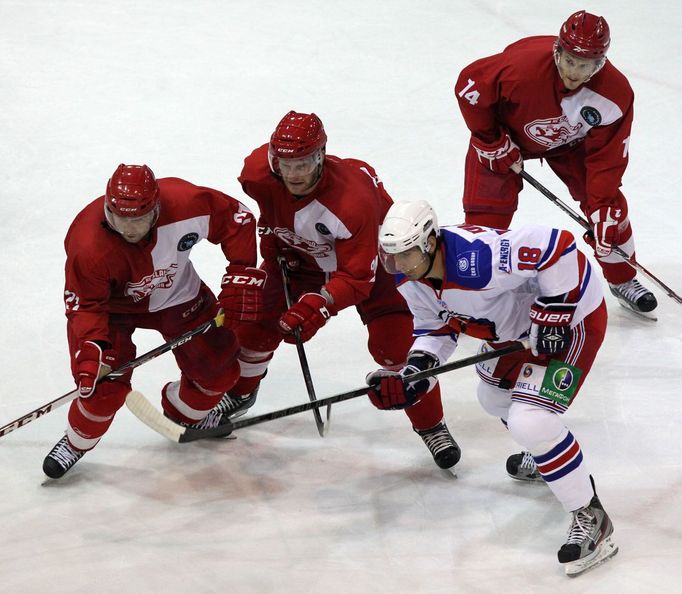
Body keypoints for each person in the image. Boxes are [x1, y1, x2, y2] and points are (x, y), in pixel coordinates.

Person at [367, 199, 618, 575]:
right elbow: (435, 329)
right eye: (392, 257)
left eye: (405, 255)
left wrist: (555, 311)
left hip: (572, 323)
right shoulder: (411, 278)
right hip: (514, 335)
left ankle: (591, 515)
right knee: (493, 397)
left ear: (430, 242)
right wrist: (414, 375)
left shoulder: (480, 259)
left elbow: (558, 245)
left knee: (530, 421)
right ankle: (549, 459)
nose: (398, 266)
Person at [217, 110, 460, 470]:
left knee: (395, 350)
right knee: (253, 328)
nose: (294, 174)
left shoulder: (352, 203)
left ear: (322, 156)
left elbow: (357, 279)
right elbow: (264, 215)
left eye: (304, 163)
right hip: (298, 263)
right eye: (285, 163)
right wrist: (270, 251)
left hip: (376, 269)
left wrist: (318, 304)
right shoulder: (256, 174)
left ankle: (431, 425)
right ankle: (239, 395)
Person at [43, 163, 266, 479]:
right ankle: (76, 442)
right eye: (119, 218)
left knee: (218, 368)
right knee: (100, 389)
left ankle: (184, 414)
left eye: (139, 219)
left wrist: (242, 273)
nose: (129, 228)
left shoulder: (185, 202)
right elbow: (86, 307)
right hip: (112, 312)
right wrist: (92, 349)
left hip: (177, 296)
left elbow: (237, 219)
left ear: (157, 209)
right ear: (108, 207)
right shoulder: (87, 243)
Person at [454, 9, 657, 317]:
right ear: (557, 51)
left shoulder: (614, 94)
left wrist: (600, 205)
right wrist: (489, 139)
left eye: (585, 65)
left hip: (570, 145)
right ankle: (473, 292)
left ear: (600, 63)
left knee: (608, 214)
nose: (574, 72)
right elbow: (469, 87)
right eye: (570, 61)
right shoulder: (521, 68)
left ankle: (623, 278)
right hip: (505, 139)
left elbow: (608, 157)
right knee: (486, 219)